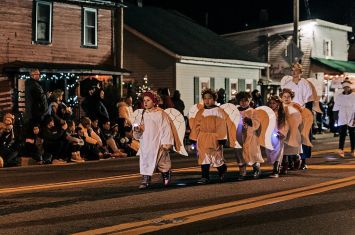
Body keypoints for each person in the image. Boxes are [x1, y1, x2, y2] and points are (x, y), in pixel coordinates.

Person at [133, 90, 174, 189]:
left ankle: (166, 174)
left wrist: (166, 142)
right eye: (144, 100)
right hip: (146, 143)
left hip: (158, 142)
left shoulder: (160, 114)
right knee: (145, 161)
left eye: (148, 100)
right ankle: (145, 178)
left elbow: (166, 128)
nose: (145, 102)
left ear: (154, 101)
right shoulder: (142, 114)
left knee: (162, 161)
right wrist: (137, 130)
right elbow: (137, 130)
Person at [189, 88, 228, 184]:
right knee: (203, 157)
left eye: (209, 98)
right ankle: (205, 176)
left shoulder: (219, 111)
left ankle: (222, 168)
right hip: (202, 137)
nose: (207, 100)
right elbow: (196, 126)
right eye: (205, 98)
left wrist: (222, 138)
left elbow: (221, 125)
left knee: (216, 157)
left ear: (214, 99)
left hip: (214, 137)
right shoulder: (200, 112)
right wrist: (193, 138)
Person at [281, 62, 314, 169]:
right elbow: (284, 100)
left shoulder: (305, 83)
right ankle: (291, 160)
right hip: (290, 113)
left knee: (303, 136)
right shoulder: (287, 85)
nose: (294, 72)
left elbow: (309, 101)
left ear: (300, 72)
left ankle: (303, 161)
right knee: (290, 137)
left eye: (296, 70)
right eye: (292, 70)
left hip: (302, 111)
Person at [234, 91, 263, 179]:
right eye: (241, 100)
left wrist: (250, 121)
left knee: (252, 152)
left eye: (245, 100)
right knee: (239, 153)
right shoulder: (235, 111)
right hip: (238, 135)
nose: (243, 102)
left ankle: (256, 168)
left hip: (250, 135)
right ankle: (242, 171)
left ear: (249, 101)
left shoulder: (253, 111)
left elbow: (257, 122)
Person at [265, 96, 289, 178]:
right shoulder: (267, 113)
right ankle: (276, 167)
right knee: (270, 152)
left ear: (278, 104)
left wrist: (282, 132)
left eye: (274, 103)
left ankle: (276, 170)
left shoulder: (281, 114)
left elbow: (285, 124)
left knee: (278, 153)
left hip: (278, 135)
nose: (272, 105)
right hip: (269, 136)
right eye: (270, 103)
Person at [333, 78, 355, 158]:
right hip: (342, 116)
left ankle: (353, 149)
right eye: (345, 87)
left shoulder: (353, 96)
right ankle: (340, 149)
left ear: (349, 87)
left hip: (351, 116)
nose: (346, 89)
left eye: (347, 87)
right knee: (342, 134)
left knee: (352, 134)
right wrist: (335, 118)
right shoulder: (339, 96)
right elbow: (335, 108)